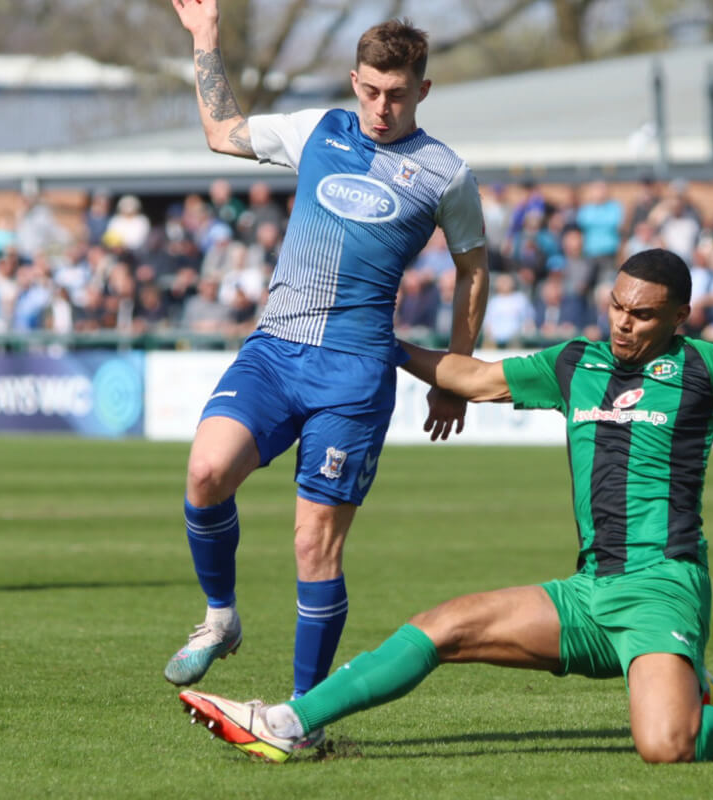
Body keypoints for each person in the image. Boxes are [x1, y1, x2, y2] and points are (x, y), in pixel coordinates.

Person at [178, 247, 713, 764]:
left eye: (642, 314)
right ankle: (285, 722)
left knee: (666, 747)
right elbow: (475, 379)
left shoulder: (705, 371)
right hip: (586, 592)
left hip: (661, 588)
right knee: (442, 624)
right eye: (617, 306)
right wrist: (379, 345)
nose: (622, 321)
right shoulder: (575, 363)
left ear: (678, 318)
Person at [166, 0, 490, 724]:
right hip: (276, 351)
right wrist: (206, 39)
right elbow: (222, 132)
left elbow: (473, 270)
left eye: (398, 94)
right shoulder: (318, 129)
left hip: (354, 373)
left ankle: (301, 715)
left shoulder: (445, 173)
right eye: (371, 91)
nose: (381, 107)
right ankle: (220, 617)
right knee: (205, 471)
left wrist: (457, 376)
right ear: (354, 82)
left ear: (423, 92)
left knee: (314, 544)